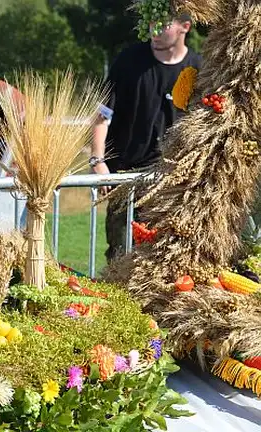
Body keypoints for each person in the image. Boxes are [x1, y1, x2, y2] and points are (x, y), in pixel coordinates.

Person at [90, 12, 202, 263]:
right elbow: (101, 115)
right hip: (126, 179)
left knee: (169, 258)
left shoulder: (198, 69)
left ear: (185, 26)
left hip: (174, 184)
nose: (155, 31)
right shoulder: (128, 61)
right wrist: (97, 161)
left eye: (163, 25)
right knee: (122, 255)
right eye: (152, 24)